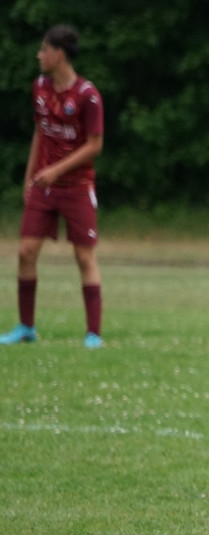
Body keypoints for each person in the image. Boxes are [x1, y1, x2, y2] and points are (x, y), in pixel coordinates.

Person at [0, 25, 105, 349]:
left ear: (58, 54)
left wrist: (56, 170)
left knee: (84, 258)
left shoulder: (87, 95)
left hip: (76, 186)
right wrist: (29, 177)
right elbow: (40, 132)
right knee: (26, 252)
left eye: (44, 49)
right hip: (44, 186)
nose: (39, 55)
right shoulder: (40, 87)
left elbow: (94, 145)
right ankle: (26, 328)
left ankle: (93, 334)